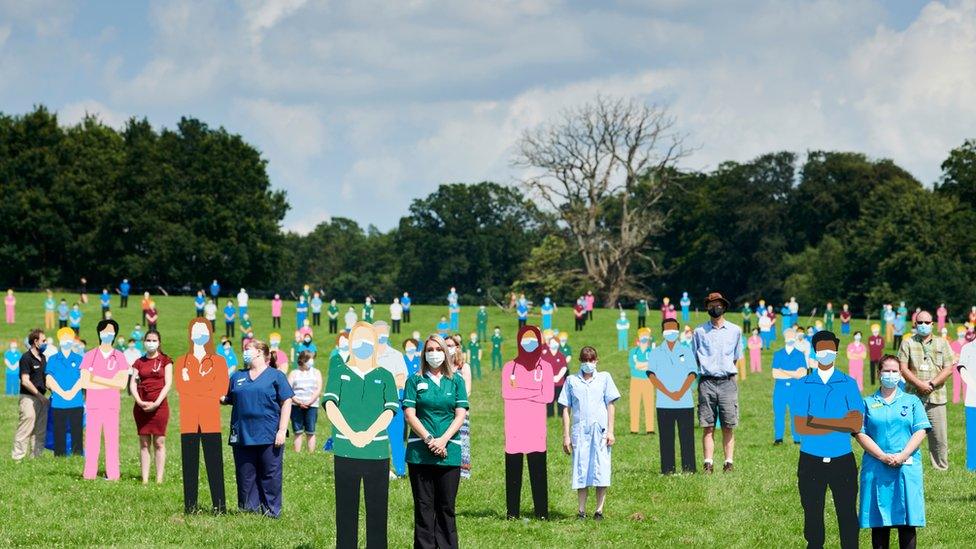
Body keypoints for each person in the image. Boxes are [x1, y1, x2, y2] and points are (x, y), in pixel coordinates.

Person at [323, 321, 398, 549]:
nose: (362, 344)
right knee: (346, 510)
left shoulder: (385, 375)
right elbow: (330, 406)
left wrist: (368, 434)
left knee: (377, 510)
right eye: (358, 339)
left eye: (368, 340)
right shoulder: (339, 372)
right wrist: (351, 434)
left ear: (375, 344)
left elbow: (390, 410)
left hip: (377, 452)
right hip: (345, 450)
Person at [792, 330, 863, 549]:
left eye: (830, 349)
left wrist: (818, 421)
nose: (826, 353)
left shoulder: (848, 383)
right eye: (821, 349)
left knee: (848, 513)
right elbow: (801, 426)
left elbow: (856, 425)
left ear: (836, 351)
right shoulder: (804, 384)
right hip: (811, 459)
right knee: (812, 512)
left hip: (842, 459)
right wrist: (838, 423)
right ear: (814, 351)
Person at [854, 354, 930, 549]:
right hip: (876, 468)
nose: (890, 374)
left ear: (901, 374)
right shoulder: (866, 403)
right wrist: (882, 456)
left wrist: (903, 455)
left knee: (907, 522)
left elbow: (920, 430)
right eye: (886, 370)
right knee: (879, 523)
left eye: (894, 371)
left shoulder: (912, 401)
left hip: (907, 468)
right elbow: (860, 433)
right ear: (879, 373)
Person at [403, 334, 469, 548]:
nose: (434, 354)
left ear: (446, 353)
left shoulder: (456, 380)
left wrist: (443, 440)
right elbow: (410, 414)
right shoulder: (414, 380)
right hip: (420, 454)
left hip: (449, 453)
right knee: (423, 508)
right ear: (424, 354)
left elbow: (460, 415)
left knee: (446, 508)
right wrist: (430, 439)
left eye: (438, 349)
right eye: (430, 349)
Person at [223, 339, 293, 518]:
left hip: (269, 433)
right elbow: (229, 398)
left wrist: (282, 429)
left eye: (248, 349)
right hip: (242, 433)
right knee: (246, 474)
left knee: (270, 474)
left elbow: (286, 401)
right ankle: (249, 511)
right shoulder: (237, 376)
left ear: (260, 353)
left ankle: (271, 511)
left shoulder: (276, 376)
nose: (244, 352)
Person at [174, 318, 229, 513]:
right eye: (196, 330)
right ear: (190, 334)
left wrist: (194, 383)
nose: (199, 334)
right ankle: (190, 506)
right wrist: (205, 384)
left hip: (210, 420)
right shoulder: (181, 362)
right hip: (188, 420)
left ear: (209, 334)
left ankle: (220, 506)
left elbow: (221, 388)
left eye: (203, 330)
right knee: (189, 464)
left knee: (215, 463)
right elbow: (182, 388)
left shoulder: (219, 362)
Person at [560, 345, 619, 519]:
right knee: (581, 469)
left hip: (600, 431)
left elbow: (610, 405)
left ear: (596, 361)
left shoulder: (604, 378)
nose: (588, 363)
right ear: (580, 361)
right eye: (585, 360)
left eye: (591, 360)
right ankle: (581, 510)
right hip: (580, 432)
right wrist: (566, 436)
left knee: (601, 469)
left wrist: (611, 431)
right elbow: (566, 408)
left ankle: (599, 510)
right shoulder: (571, 381)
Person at [502, 325, 554, 520]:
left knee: (538, 471)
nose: (529, 344)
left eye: (533, 340)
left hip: (536, 428)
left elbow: (548, 396)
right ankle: (512, 513)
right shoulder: (510, 367)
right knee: (513, 472)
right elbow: (507, 393)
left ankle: (542, 512)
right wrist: (534, 391)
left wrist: (521, 392)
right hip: (514, 428)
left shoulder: (546, 367)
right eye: (525, 339)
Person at [897, 310, 955, 471]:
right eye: (920, 322)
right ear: (914, 324)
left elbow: (948, 368)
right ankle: (905, 462)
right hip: (912, 397)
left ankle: (941, 468)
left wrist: (932, 383)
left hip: (936, 396)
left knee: (939, 437)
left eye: (927, 323)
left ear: (932, 324)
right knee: (907, 432)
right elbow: (902, 368)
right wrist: (919, 385)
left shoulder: (942, 343)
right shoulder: (907, 343)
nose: (923, 325)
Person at [691, 292, 742, 473]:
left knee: (728, 424)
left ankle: (728, 463)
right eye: (711, 305)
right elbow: (694, 356)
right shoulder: (699, 332)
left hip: (727, 382)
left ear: (724, 306)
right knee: (708, 425)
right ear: (707, 308)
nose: (715, 307)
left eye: (718, 304)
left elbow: (736, 358)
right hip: (706, 382)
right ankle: (708, 463)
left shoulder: (735, 331)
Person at [80, 319, 128, 480]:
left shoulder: (120, 356)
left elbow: (122, 383)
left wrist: (97, 379)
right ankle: (89, 474)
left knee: (112, 441)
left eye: (111, 331)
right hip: (93, 406)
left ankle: (113, 474)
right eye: (105, 331)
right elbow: (85, 381)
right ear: (99, 332)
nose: (108, 334)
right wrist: (110, 382)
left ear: (115, 334)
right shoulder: (89, 355)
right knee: (92, 441)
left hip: (111, 406)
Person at [647, 319, 696, 473]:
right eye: (668, 330)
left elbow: (692, 373)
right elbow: (651, 375)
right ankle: (668, 470)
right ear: (662, 332)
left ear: (678, 331)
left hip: (685, 402)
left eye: (674, 330)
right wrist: (669, 393)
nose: (671, 333)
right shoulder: (655, 352)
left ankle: (689, 469)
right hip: (664, 403)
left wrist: (680, 393)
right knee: (666, 438)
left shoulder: (686, 351)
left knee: (687, 438)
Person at [130, 330, 173, 484]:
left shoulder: (166, 361)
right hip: (141, 407)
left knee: (159, 442)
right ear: (144, 342)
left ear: (159, 342)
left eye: (154, 340)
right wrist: (140, 401)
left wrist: (156, 403)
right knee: (144, 442)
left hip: (160, 407)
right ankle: (145, 479)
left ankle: (159, 479)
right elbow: (132, 384)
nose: (151, 343)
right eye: (148, 340)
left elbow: (168, 384)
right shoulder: (138, 362)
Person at [375, 321, 408, 478]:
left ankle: (400, 470)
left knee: (396, 438)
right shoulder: (367, 356)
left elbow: (401, 379)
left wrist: (380, 383)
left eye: (383, 332)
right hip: (372, 405)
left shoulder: (396, 355)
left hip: (393, 404)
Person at [46, 328, 84, 456]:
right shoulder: (53, 359)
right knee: (59, 431)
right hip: (58, 402)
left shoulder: (79, 359)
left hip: (76, 402)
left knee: (76, 431)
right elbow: (49, 379)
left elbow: (83, 378)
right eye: (63, 338)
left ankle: (77, 457)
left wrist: (72, 392)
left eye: (69, 338)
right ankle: (60, 458)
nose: (66, 341)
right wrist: (62, 393)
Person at [12, 329, 48, 461]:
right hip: (28, 398)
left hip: (42, 399)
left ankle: (36, 458)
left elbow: (45, 379)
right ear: (35, 341)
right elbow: (25, 381)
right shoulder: (26, 358)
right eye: (43, 341)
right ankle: (17, 458)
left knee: (40, 429)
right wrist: (39, 395)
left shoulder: (43, 358)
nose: (46, 343)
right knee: (26, 426)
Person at [771, 328, 806, 445]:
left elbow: (802, 374)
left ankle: (797, 439)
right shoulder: (778, 354)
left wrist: (784, 371)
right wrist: (793, 373)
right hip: (780, 389)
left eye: (792, 336)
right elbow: (775, 374)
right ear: (784, 338)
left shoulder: (800, 355)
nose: (790, 338)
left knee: (796, 414)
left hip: (795, 389)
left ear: (795, 338)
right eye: (788, 336)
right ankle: (778, 438)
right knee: (779, 413)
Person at [446, 334, 473, 479]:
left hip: (459, 409)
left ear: (457, 348)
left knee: (462, 438)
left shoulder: (464, 367)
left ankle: (463, 471)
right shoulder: (440, 367)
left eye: (450, 345)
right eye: (446, 345)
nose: (448, 348)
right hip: (444, 410)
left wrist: (455, 403)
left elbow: (468, 390)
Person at [628, 327, 655, 435]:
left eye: (646, 336)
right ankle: (634, 429)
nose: (644, 339)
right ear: (638, 338)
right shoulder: (633, 352)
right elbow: (633, 365)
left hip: (648, 380)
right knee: (634, 404)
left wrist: (641, 365)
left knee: (649, 404)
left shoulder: (652, 351)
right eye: (642, 336)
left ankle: (650, 429)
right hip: (635, 380)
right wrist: (646, 365)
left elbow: (652, 365)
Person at [956, 344, 976, 471]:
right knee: (973, 434)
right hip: (973, 401)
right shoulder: (967, 348)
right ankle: (972, 465)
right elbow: (962, 369)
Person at [544, 335, 568, 418]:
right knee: (549, 401)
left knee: (560, 400)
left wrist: (558, 377)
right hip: (548, 382)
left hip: (560, 383)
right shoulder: (544, 356)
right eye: (552, 342)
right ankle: (550, 415)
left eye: (556, 343)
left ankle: (561, 415)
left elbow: (564, 367)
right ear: (549, 344)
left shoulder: (561, 355)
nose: (554, 344)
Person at [949, 326, 968, 405]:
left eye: (963, 331)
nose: (961, 333)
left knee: (965, 383)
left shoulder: (968, 344)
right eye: (960, 331)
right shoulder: (953, 344)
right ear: (957, 333)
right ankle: (956, 399)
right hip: (956, 367)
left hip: (966, 367)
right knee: (956, 383)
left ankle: (965, 398)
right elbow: (951, 355)